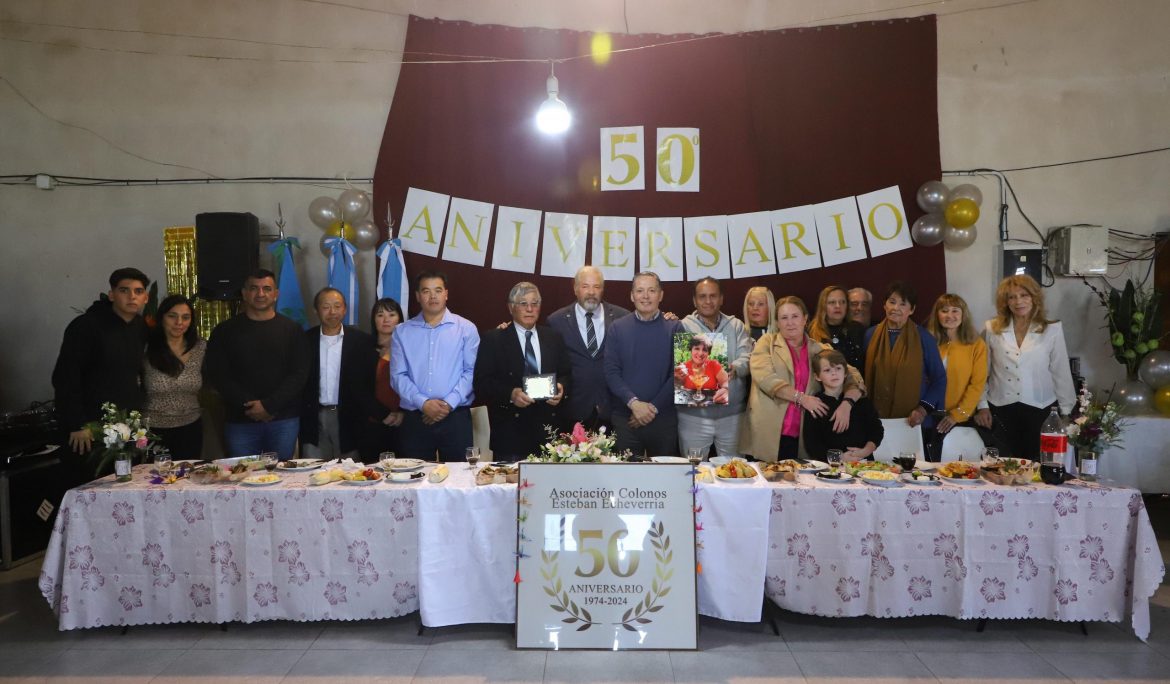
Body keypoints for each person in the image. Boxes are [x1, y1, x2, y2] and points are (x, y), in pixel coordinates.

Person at [52, 267, 151, 479]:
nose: (132, 296)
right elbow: (66, 377)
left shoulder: (139, 327)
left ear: (145, 298)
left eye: (138, 291)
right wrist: (77, 423)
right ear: (112, 294)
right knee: (89, 487)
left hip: (125, 428)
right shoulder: (86, 326)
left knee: (125, 486)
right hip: (88, 429)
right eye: (124, 290)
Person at [741, 296, 864, 461]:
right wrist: (801, 398)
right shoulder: (766, 343)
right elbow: (764, 377)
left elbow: (853, 375)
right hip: (767, 434)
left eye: (795, 316)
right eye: (784, 318)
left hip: (804, 438)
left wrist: (847, 404)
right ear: (777, 322)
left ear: (805, 318)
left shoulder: (819, 349)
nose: (790, 322)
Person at [204, 269, 308, 460]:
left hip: (283, 420)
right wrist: (252, 407)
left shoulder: (293, 330)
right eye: (254, 288)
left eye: (267, 289)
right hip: (240, 421)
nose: (260, 294)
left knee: (281, 481)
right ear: (244, 293)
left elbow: (299, 374)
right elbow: (218, 375)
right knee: (241, 479)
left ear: (276, 294)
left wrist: (269, 406)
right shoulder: (224, 331)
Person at [975, 275, 1075, 461]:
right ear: (1005, 302)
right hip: (1001, 409)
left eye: (1024, 295)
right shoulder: (992, 329)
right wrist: (982, 406)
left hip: (1040, 410)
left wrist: (1066, 412)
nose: (1018, 301)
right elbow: (982, 371)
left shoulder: (1052, 329)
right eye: (1011, 297)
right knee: (1003, 469)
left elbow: (1060, 371)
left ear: (1034, 297)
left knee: (1038, 469)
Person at [474, 282, 571, 461]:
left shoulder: (553, 337)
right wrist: (511, 394)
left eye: (535, 303)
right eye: (523, 303)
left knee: (549, 489)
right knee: (510, 489)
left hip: (549, 434)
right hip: (511, 435)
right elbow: (481, 384)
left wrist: (561, 387)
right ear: (511, 307)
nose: (529, 309)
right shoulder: (493, 339)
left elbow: (567, 374)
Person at [391, 270, 479, 462]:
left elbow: (471, 372)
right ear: (417, 296)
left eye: (438, 290)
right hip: (416, 418)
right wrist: (424, 403)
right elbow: (398, 376)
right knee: (413, 481)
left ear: (446, 294)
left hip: (455, 416)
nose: (433, 296)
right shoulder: (402, 332)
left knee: (459, 482)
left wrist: (447, 404)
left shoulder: (466, 328)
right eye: (426, 291)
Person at [299, 288, 392, 461]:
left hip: (350, 418)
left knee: (350, 474)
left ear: (345, 309)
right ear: (315, 310)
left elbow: (368, 385)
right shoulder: (304, 340)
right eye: (326, 307)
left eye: (337, 306)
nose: (332, 312)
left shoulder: (362, 341)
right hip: (314, 418)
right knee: (313, 473)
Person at [604, 272, 683, 458]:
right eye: (640, 291)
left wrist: (651, 409)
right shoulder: (617, 327)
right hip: (626, 419)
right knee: (626, 481)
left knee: (665, 482)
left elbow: (680, 374)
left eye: (651, 290)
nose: (645, 296)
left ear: (661, 295)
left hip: (664, 419)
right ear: (632, 296)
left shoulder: (676, 327)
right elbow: (611, 372)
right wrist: (635, 404)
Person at [547, 265, 630, 431]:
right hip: (572, 411)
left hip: (612, 410)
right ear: (576, 289)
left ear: (603, 290)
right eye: (585, 286)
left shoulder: (623, 317)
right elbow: (552, 364)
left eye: (596, 286)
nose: (591, 292)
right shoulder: (556, 321)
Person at [677, 277, 751, 459]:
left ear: (721, 298)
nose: (708, 301)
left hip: (732, 416)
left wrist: (737, 367)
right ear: (694, 300)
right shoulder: (682, 326)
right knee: (692, 473)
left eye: (713, 296)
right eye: (702, 297)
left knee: (734, 472)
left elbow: (749, 357)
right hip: (693, 416)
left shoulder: (736, 326)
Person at [923, 293, 998, 461]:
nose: (950, 316)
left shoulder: (976, 344)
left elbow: (977, 384)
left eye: (955, 311)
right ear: (937, 315)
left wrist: (957, 415)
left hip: (960, 418)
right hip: (927, 416)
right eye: (944, 311)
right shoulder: (927, 341)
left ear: (963, 315)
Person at [863, 281, 946, 430]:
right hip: (875, 419)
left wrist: (922, 409)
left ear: (912, 309)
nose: (896, 308)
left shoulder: (923, 338)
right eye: (892, 302)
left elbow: (939, 379)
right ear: (884, 305)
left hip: (912, 420)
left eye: (903, 304)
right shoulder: (870, 335)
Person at [143, 294, 205, 461]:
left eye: (185, 317)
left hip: (190, 428)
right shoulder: (146, 348)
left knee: (187, 480)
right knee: (154, 482)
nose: (179, 323)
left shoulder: (201, 348)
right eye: (172, 316)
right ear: (161, 318)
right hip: (152, 431)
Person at [802, 349, 883, 462]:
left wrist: (866, 450)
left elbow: (876, 430)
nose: (834, 373)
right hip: (830, 467)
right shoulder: (815, 404)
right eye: (827, 370)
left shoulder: (860, 400)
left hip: (864, 464)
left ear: (845, 373)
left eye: (838, 368)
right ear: (817, 377)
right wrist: (839, 458)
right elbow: (812, 444)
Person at [363, 297, 405, 462]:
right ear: (374, 320)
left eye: (392, 314)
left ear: (400, 319)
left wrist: (402, 413)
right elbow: (359, 389)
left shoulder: (408, 349)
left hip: (404, 423)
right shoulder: (364, 349)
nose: (386, 319)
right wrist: (383, 414)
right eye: (380, 315)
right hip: (372, 423)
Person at [808, 284, 866, 370]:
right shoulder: (811, 332)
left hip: (857, 381)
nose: (838, 306)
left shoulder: (857, 329)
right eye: (832, 302)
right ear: (823, 306)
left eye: (842, 302)